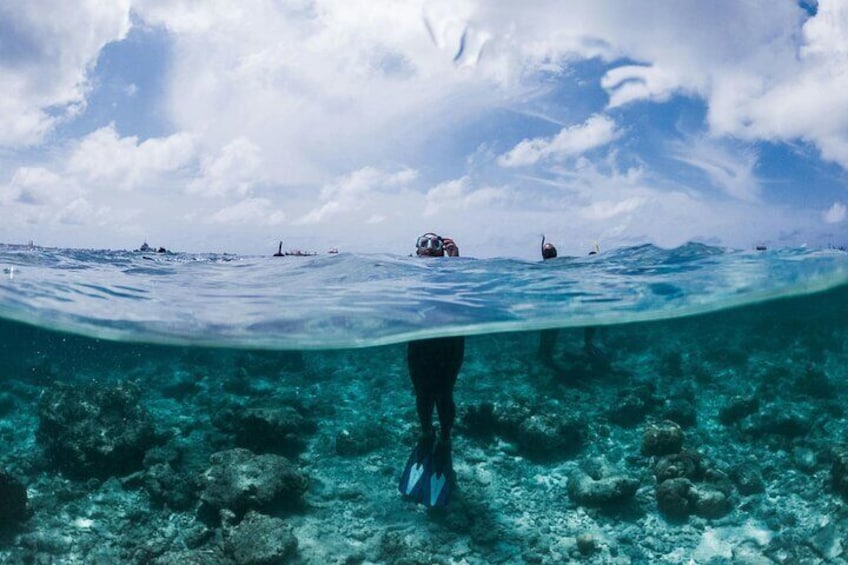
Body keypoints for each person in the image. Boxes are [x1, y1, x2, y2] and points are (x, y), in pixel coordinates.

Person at [398, 232, 464, 508]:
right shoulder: (408, 274)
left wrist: (455, 262)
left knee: (444, 393)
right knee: (422, 392)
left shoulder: (454, 272)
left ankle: (445, 439)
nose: (428, 247)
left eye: (435, 243)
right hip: (420, 342)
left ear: (442, 251)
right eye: (423, 243)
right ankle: (427, 433)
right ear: (415, 250)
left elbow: (466, 294)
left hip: (449, 341)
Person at [537, 236, 601, 366]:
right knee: (589, 313)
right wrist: (593, 257)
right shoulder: (564, 262)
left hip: (558, 303)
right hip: (565, 300)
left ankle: (546, 355)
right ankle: (587, 345)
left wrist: (593, 257)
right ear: (555, 253)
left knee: (550, 330)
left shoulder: (540, 266)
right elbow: (583, 263)